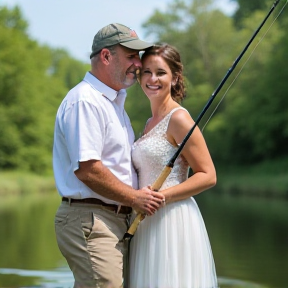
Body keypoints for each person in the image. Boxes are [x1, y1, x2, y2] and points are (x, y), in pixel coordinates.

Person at [53, 23, 165, 288]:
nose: (138, 64)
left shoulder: (113, 104)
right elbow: (88, 169)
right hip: (91, 220)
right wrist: (135, 197)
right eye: (131, 56)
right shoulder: (85, 101)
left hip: (109, 220)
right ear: (106, 56)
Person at [129, 43, 219, 288]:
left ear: (175, 77)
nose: (152, 79)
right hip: (146, 220)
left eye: (160, 72)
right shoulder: (148, 123)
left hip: (172, 220)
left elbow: (208, 175)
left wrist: (161, 198)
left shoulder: (178, 118)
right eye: (146, 72)